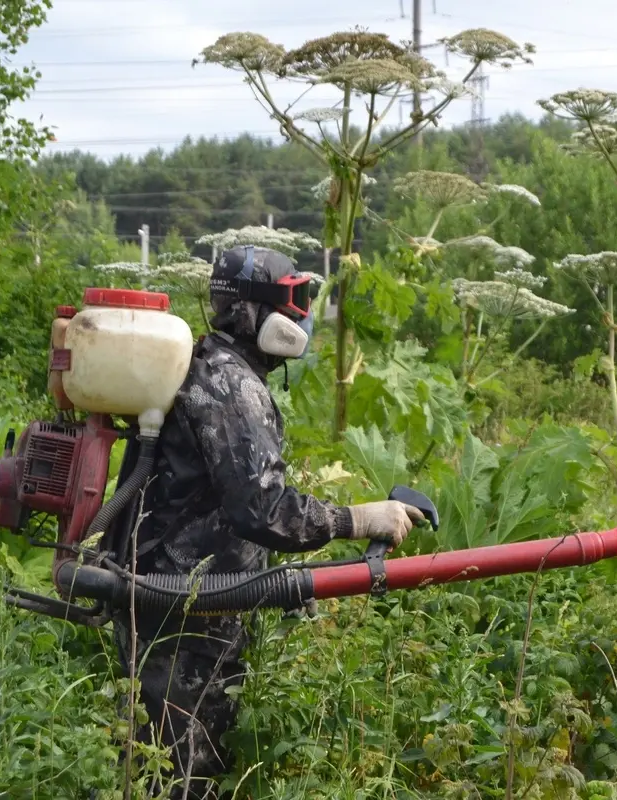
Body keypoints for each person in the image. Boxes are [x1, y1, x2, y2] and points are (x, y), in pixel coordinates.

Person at [111, 244, 425, 799]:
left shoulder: (209, 367)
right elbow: (262, 508)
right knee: (184, 774)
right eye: (292, 301)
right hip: (186, 609)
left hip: (182, 598)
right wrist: (358, 518)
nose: (300, 315)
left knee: (155, 760)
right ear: (254, 311)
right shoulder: (230, 385)